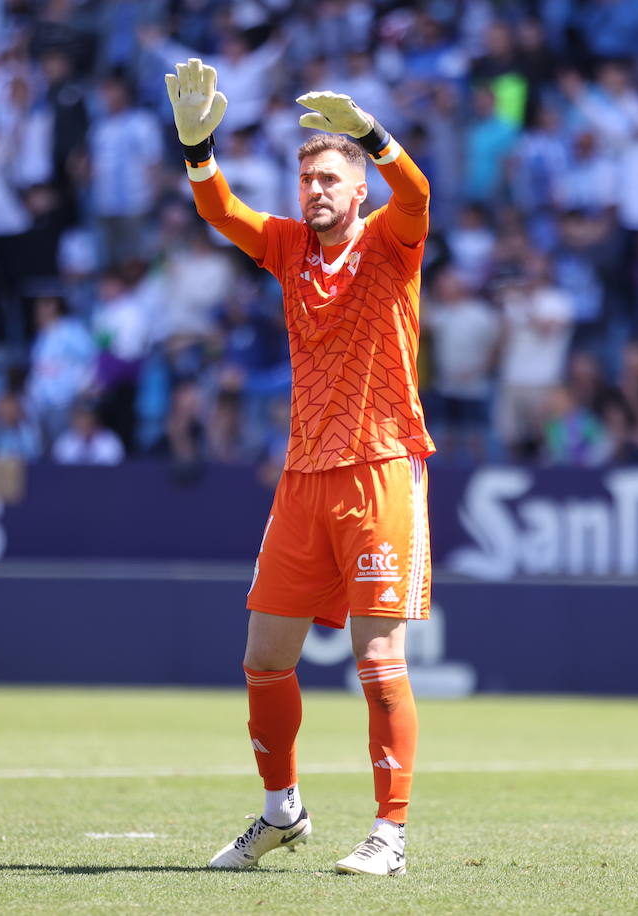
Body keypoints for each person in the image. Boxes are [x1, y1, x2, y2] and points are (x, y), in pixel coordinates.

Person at [167, 59, 430, 876]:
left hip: (381, 468)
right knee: (264, 657)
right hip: (304, 478)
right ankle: (284, 811)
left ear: (357, 191)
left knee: (378, 659)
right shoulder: (288, 248)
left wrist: (373, 138)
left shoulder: (391, 241)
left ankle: (390, 833)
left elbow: (417, 195)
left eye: (328, 177)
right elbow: (221, 210)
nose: (312, 189)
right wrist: (197, 145)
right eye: (306, 176)